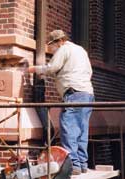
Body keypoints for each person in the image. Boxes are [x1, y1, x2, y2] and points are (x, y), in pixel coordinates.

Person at [28, 30, 94, 175]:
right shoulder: (80, 50)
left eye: (51, 46)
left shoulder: (64, 49)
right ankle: (82, 164)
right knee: (82, 130)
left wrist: (34, 69)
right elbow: (89, 72)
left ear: (59, 42)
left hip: (74, 93)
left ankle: (74, 166)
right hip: (87, 93)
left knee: (69, 128)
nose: (51, 49)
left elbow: (52, 68)